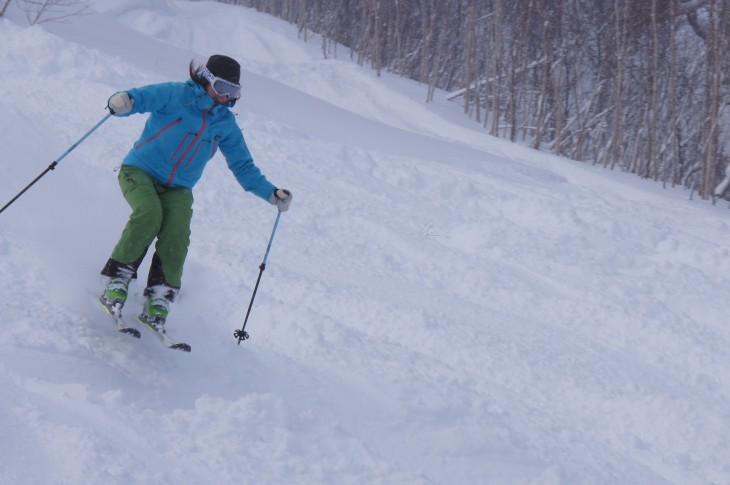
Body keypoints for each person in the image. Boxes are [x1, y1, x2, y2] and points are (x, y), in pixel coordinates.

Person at [98, 54, 292, 334]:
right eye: (223, 88)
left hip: (178, 188)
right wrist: (123, 101)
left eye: (234, 92)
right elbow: (140, 98)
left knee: (177, 232)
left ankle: (159, 297)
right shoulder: (176, 95)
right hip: (139, 171)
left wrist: (271, 193)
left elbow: (242, 165)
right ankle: (117, 280)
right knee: (149, 214)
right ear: (207, 79)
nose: (227, 97)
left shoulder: (224, 123)